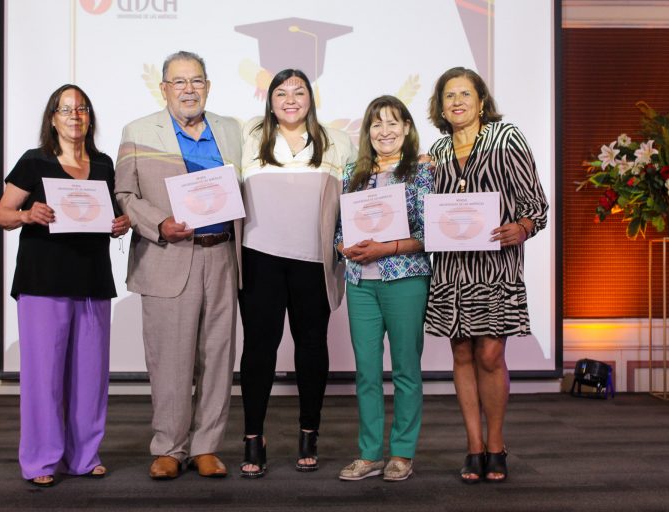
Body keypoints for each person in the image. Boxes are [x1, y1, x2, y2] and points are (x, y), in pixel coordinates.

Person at [0, 84, 131, 487]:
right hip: (42, 282)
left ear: (90, 117)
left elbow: (114, 217)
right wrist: (26, 214)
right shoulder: (34, 162)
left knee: (90, 378)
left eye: (82, 108)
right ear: (52, 117)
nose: (75, 115)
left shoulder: (104, 165)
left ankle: (85, 457)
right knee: (44, 378)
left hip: (92, 281)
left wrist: (120, 225)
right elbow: (0, 213)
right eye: (65, 109)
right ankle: (41, 460)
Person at [114, 51, 242, 480]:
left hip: (222, 254)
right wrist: (159, 223)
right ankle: (169, 447)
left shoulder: (231, 130)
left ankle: (206, 446)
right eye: (179, 82)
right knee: (170, 359)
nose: (189, 89)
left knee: (218, 356)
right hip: (168, 256)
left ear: (208, 85)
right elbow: (125, 196)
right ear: (164, 87)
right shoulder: (138, 132)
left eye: (197, 81)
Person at [425, 67, 549, 483]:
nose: (457, 102)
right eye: (448, 96)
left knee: (491, 355)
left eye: (465, 94)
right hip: (449, 269)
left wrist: (524, 225)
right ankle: (474, 447)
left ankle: (496, 445)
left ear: (481, 101)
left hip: (494, 266)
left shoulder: (506, 137)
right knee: (461, 353)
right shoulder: (437, 152)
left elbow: (537, 203)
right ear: (440, 106)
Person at [238, 68, 356, 478]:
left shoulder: (337, 140)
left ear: (311, 97)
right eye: (281, 93)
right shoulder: (248, 136)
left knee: (311, 347)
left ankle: (310, 431)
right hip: (259, 258)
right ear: (269, 100)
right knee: (258, 350)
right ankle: (253, 435)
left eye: (299, 92)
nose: (290, 99)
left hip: (314, 259)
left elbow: (361, 192)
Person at [334, 95, 433, 482]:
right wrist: (340, 245)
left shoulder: (421, 171)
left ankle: (403, 453)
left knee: (406, 368)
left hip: (405, 278)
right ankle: (370, 453)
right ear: (367, 132)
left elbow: (429, 233)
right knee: (367, 372)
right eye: (377, 124)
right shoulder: (352, 173)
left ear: (407, 128)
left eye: (393, 123)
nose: (385, 131)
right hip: (361, 282)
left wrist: (385, 247)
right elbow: (340, 228)